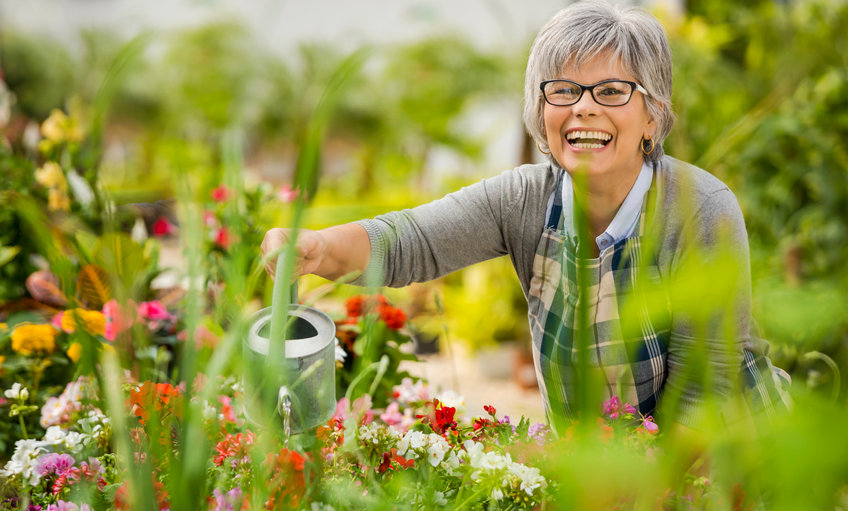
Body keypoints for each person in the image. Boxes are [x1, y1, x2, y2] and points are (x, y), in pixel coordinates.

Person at [262, 0, 789, 433]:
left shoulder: (700, 209)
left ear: (652, 115)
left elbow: (703, 396)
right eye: (562, 90)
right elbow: (411, 241)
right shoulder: (524, 201)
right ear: (542, 112)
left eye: (611, 91)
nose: (583, 108)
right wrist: (319, 248)